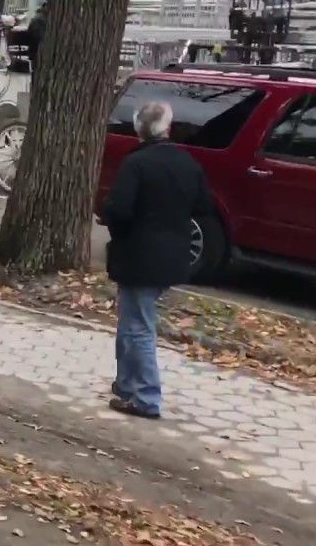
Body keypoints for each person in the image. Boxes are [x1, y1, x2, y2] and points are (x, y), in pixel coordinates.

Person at [98, 101, 214, 420]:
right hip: (174, 255)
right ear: (168, 128)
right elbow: (203, 206)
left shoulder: (136, 164)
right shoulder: (187, 163)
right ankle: (125, 385)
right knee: (131, 321)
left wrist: (111, 220)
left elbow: (119, 209)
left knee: (139, 327)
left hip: (139, 256)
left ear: (139, 130)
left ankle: (146, 397)